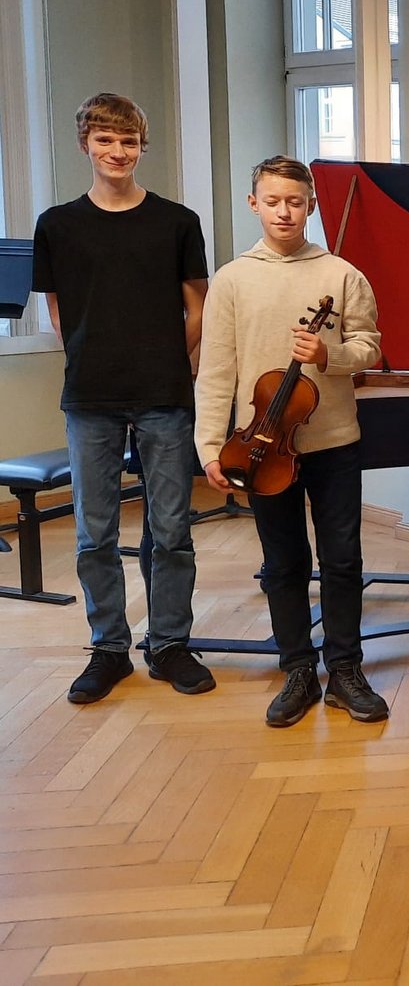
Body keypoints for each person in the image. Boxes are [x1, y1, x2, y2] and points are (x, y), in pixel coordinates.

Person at [194, 155, 387, 728]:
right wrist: (210, 446)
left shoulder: (342, 274)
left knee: (343, 558)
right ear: (254, 204)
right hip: (259, 446)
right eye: (273, 201)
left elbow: (371, 348)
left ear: (311, 206)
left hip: (334, 442)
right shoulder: (232, 279)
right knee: (282, 562)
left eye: (295, 202)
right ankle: (298, 668)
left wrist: (330, 354)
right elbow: (217, 370)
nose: (284, 211)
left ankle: (345, 670)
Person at [33, 93, 213, 703]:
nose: (117, 151)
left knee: (172, 529)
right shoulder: (57, 225)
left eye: (128, 141)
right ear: (85, 144)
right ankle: (109, 648)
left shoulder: (177, 221)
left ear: (142, 147)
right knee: (95, 533)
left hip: (165, 395)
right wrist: (94, 355)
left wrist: (165, 358)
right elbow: (59, 311)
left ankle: (169, 644)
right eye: (105, 140)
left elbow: (197, 307)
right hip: (90, 397)